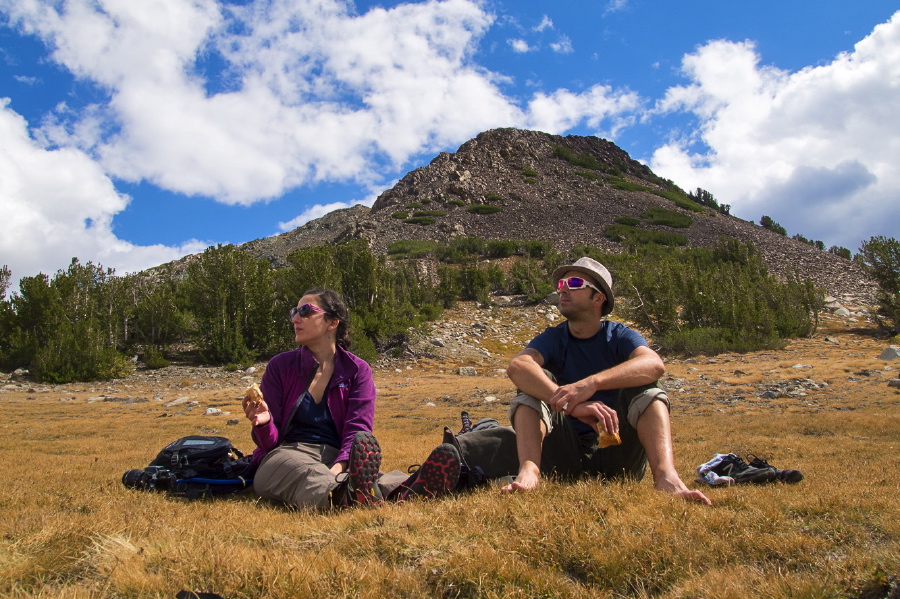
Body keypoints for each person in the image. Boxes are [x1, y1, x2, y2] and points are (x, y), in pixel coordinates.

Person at [450, 258, 711, 505]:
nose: (562, 290)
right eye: (561, 284)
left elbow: (653, 365)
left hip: (619, 454)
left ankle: (667, 477)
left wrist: (590, 384)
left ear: (599, 298)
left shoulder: (619, 335)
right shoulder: (554, 338)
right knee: (533, 384)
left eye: (574, 284)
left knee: (646, 385)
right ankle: (529, 472)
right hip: (565, 456)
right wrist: (570, 404)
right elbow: (518, 366)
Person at [243, 288, 462, 510]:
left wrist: (339, 467)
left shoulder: (357, 370)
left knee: (377, 477)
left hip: (338, 457)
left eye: (305, 311)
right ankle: (350, 493)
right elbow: (268, 443)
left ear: (332, 322)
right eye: (294, 312)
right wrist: (263, 423)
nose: (295, 318)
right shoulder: (280, 366)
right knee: (305, 472)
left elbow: (358, 431)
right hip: (287, 453)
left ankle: (407, 487)